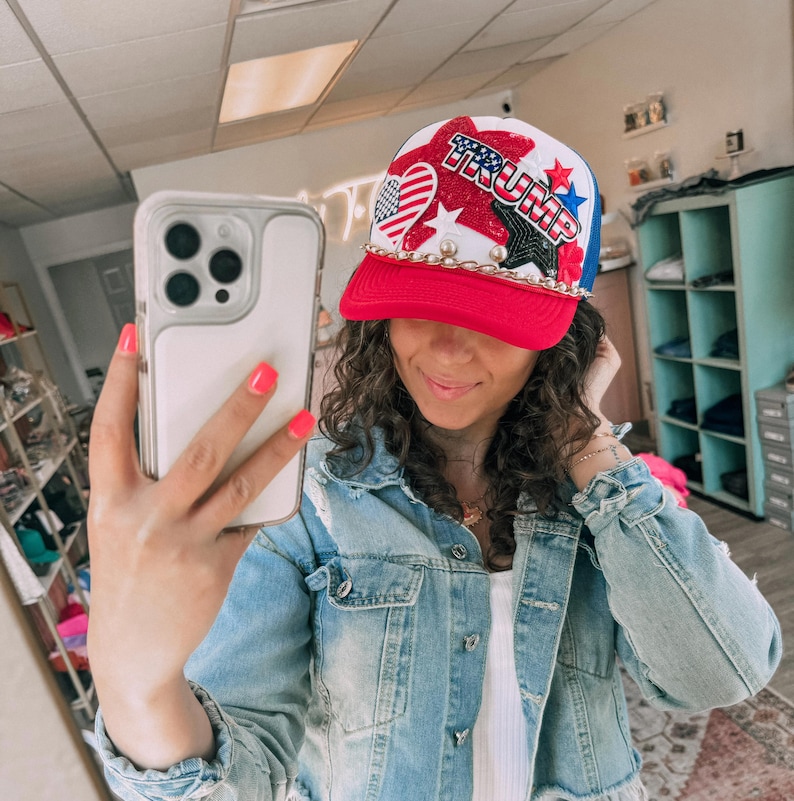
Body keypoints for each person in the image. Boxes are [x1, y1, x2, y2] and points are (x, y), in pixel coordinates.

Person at [88, 116, 781, 801]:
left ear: (562, 337)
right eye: (421, 302)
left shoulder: (595, 493)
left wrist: (584, 438)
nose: (449, 349)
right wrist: (136, 682)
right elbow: (241, 775)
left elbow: (722, 671)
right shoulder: (309, 501)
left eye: (494, 315)